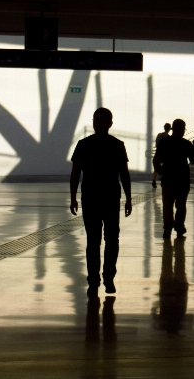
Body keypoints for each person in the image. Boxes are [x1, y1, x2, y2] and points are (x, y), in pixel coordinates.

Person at [70, 107, 132, 296]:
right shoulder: (85, 144)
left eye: (103, 120)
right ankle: (97, 279)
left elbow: (124, 173)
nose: (100, 123)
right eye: (98, 119)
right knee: (97, 240)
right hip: (94, 198)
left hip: (108, 198)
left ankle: (105, 278)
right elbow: (75, 173)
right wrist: (72, 196)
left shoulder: (115, 145)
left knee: (108, 240)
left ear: (110, 123)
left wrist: (129, 198)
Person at [153, 119, 194, 237]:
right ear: (183, 129)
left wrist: (159, 171)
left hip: (168, 177)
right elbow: (193, 160)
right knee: (181, 204)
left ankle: (167, 227)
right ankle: (179, 226)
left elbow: (156, 160)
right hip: (183, 178)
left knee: (167, 204)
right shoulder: (186, 144)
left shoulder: (164, 142)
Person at [152, 123, 171, 188]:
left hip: (158, 153)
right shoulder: (169, 137)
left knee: (156, 167)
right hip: (165, 154)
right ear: (169, 129)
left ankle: (154, 180)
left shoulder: (159, 135)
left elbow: (156, 144)